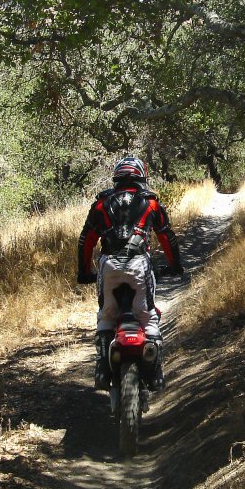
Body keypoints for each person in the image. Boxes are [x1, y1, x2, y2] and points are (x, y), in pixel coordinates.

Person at [76, 156, 183, 391]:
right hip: (138, 266)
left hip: (109, 265)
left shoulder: (101, 204)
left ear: (116, 177)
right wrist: (175, 265)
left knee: (106, 316)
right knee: (148, 317)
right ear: (142, 177)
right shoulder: (151, 203)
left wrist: (83, 272)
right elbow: (167, 236)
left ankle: (103, 369)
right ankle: (154, 374)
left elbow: (86, 240)